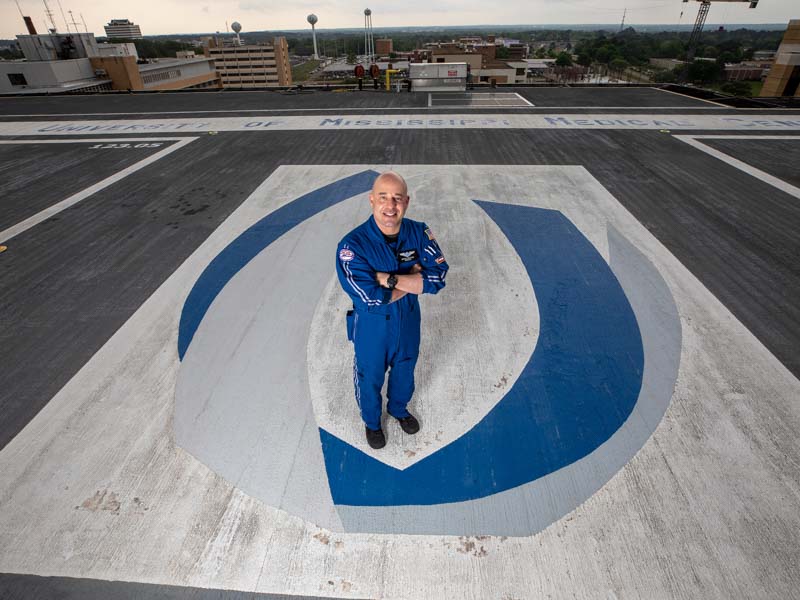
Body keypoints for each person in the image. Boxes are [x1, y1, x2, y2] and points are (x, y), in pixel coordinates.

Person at [335, 172, 449, 449]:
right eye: (383, 197)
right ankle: (372, 422)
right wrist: (413, 280)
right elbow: (371, 297)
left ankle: (398, 409)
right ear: (372, 200)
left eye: (397, 198)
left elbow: (438, 277)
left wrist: (389, 279)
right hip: (373, 328)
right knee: (369, 375)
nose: (390, 205)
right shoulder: (352, 246)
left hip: (408, 321)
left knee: (405, 369)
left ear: (406, 202)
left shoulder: (419, 232)